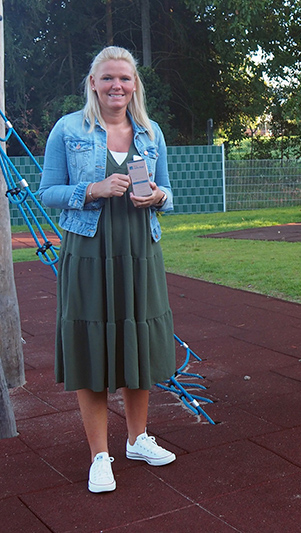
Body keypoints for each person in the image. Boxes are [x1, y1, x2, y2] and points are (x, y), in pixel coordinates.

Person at [39, 46, 177, 493]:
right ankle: (100, 455)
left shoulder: (150, 132)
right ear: (93, 83)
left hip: (140, 250)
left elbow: (169, 193)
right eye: (107, 78)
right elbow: (48, 193)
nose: (116, 86)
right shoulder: (68, 128)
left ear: (134, 84)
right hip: (88, 249)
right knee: (92, 345)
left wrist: (156, 197)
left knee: (137, 339)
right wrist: (92, 189)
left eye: (125, 78)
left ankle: (138, 439)